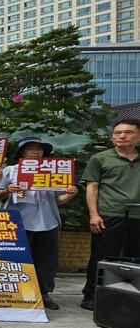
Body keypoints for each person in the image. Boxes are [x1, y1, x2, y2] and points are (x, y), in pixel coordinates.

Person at [0, 137, 78, 310]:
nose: (36, 152)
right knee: (17, 259)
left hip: (48, 221)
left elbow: (57, 200)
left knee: (47, 260)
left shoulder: (52, 171)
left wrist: (69, 194)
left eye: (39, 149)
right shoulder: (11, 171)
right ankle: (14, 293)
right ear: (22, 153)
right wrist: (7, 190)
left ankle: (43, 293)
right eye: (31, 148)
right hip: (19, 220)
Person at [80, 118, 140, 311]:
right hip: (108, 214)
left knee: (136, 258)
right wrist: (94, 214)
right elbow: (92, 187)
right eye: (117, 133)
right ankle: (91, 295)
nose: (121, 136)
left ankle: (130, 297)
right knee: (102, 257)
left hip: (137, 215)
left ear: (138, 136)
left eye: (128, 132)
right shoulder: (101, 158)